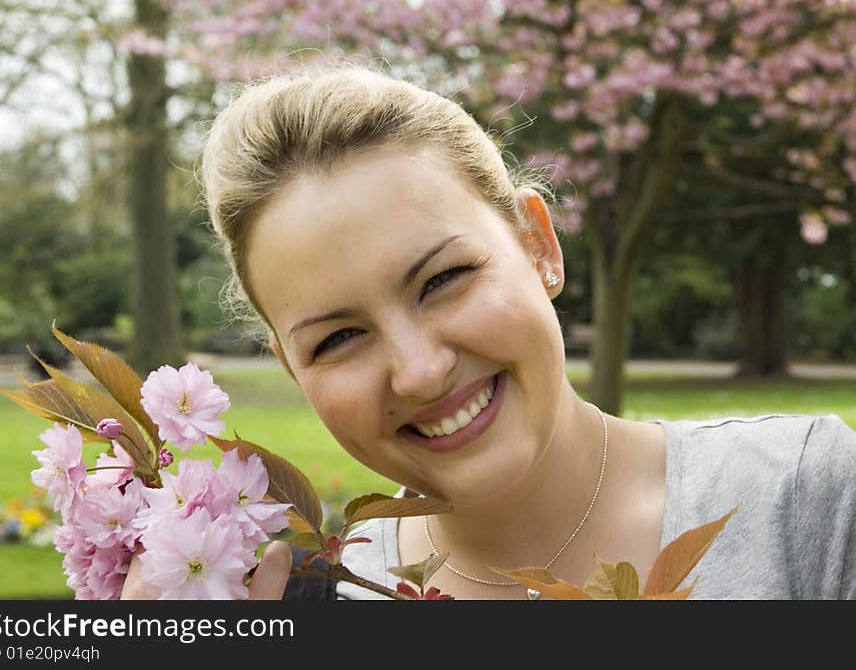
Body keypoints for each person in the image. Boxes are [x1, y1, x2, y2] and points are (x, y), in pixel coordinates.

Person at [121, 63, 856, 601]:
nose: (418, 370)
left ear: (539, 244)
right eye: (338, 338)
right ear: (292, 369)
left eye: (442, 280)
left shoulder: (803, 499)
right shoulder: (309, 598)